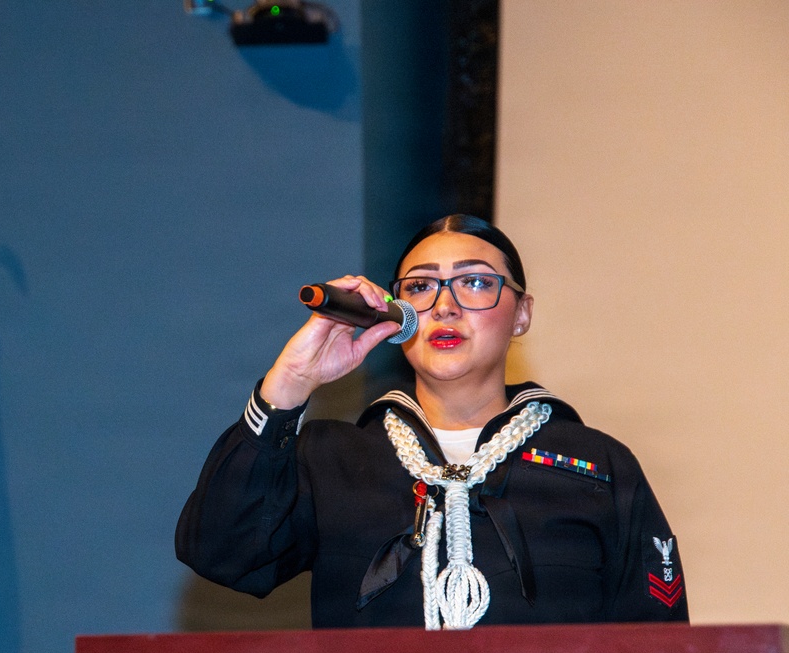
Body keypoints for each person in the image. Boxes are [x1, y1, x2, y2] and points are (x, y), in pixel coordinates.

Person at [175, 214, 688, 628]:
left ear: (522, 313)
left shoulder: (597, 464)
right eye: (421, 287)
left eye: (475, 282)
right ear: (395, 316)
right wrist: (288, 383)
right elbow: (224, 553)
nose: (444, 306)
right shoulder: (332, 458)